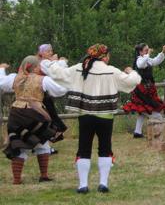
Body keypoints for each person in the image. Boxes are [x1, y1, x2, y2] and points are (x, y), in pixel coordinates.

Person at [45, 44, 141, 194]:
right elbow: (131, 82)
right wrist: (132, 71)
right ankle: (103, 184)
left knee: (83, 148)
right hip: (106, 116)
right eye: (108, 55)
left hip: (85, 116)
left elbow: (58, 73)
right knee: (105, 148)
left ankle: (83, 185)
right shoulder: (111, 70)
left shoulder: (79, 68)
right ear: (104, 56)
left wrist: (51, 61)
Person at [0, 57, 67, 184]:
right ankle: (43, 175)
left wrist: (2, 69)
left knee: (19, 143)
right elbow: (60, 90)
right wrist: (62, 70)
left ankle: (17, 179)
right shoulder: (43, 80)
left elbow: (0, 81)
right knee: (42, 141)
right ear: (35, 67)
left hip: (17, 113)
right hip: (35, 114)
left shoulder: (14, 78)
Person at [123, 44, 165, 138]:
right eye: (145, 50)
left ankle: (137, 132)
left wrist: (162, 52)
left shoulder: (147, 59)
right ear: (140, 52)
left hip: (147, 89)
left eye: (148, 50)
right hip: (141, 90)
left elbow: (155, 61)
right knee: (150, 110)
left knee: (143, 111)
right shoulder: (139, 59)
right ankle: (162, 130)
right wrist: (147, 54)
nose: (147, 51)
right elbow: (140, 65)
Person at [37, 44, 69, 152]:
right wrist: (61, 62)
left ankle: (42, 146)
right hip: (40, 95)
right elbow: (56, 72)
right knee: (48, 119)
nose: (50, 53)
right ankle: (44, 147)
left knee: (47, 119)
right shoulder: (44, 62)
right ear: (41, 53)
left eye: (51, 51)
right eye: (48, 51)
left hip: (42, 95)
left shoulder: (45, 62)